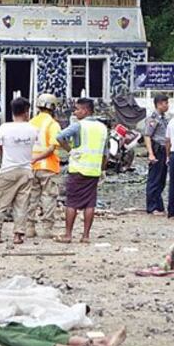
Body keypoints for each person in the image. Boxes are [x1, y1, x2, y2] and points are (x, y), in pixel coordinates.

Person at [55, 98, 108, 244]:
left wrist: (70, 151)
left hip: (78, 169)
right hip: (94, 171)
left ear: (85, 110)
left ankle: (68, 235)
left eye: (77, 109)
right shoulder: (102, 128)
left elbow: (59, 136)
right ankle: (85, 236)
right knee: (90, 204)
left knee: (72, 203)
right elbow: (105, 153)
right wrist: (102, 170)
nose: (75, 112)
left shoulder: (79, 126)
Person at [0, 97, 39, 245]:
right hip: (26, 170)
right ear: (26, 112)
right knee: (22, 204)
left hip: (8, 170)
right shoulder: (33, 129)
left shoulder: (4, 127)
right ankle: (18, 234)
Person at [27, 93, 63, 239]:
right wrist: (39, 158)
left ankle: (29, 228)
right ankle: (47, 229)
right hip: (47, 166)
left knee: (31, 197)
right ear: (53, 107)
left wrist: (33, 159)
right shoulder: (53, 124)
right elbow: (52, 147)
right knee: (49, 197)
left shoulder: (31, 122)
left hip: (31, 166)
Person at [145, 94, 170, 215]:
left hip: (164, 150)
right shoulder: (153, 118)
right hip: (157, 149)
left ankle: (159, 206)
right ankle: (152, 206)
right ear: (159, 104)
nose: (167, 106)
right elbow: (147, 136)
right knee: (154, 179)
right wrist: (150, 153)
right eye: (165, 103)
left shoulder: (164, 118)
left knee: (161, 179)